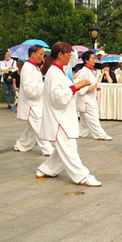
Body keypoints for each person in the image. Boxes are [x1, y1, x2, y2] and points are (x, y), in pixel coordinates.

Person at [35, 43, 101, 186]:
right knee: (69, 147)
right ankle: (82, 176)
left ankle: (45, 169)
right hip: (59, 119)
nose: (71, 56)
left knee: (62, 149)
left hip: (63, 116)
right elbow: (58, 97)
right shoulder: (54, 72)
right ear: (60, 55)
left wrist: (76, 87)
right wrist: (76, 86)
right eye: (69, 53)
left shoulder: (59, 71)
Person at [14, 45, 53, 156]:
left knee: (32, 128)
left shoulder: (34, 67)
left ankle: (21, 145)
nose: (42, 56)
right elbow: (28, 88)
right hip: (31, 103)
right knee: (40, 126)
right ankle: (48, 149)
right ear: (33, 54)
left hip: (36, 102)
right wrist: (44, 85)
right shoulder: (28, 67)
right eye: (41, 54)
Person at [76, 51, 112, 141]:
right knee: (93, 118)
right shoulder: (84, 71)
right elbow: (77, 85)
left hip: (90, 98)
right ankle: (100, 134)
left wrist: (94, 88)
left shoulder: (90, 71)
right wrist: (88, 89)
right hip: (86, 100)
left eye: (94, 58)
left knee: (84, 121)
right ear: (86, 60)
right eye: (92, 58)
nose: (94, 60)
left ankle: (81, 133)